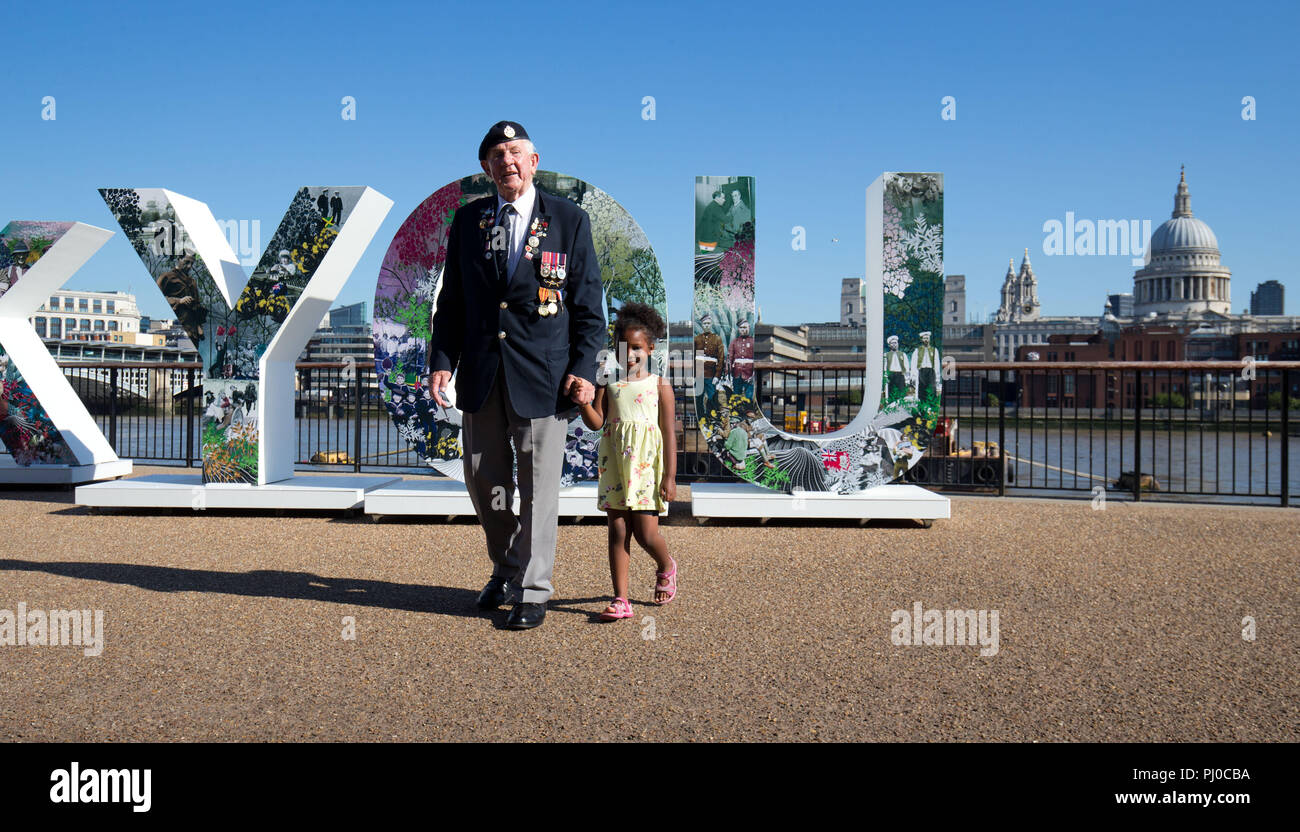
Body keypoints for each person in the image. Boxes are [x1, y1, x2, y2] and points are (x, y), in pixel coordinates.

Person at [428, 121, 605, 630]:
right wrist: (443, 362)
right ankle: (505, 568)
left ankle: (533, 588)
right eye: (497, 154)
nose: (507, 161)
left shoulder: (569, 221)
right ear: (487, 168)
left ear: (533, 161)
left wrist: (584, 370)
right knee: (486, 482)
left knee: (539, 488)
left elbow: (589, 308)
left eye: (516, 152)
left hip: (545, 379)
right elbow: (453, 304)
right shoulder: (468, 222)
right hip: (482, 375)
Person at [577, 303, 677, 620]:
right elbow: (596, 422)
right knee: (618, 531)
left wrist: (670, 476)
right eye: (624, 348)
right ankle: (621, 598)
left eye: (637, 348)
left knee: (647, 534)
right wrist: (582, 404)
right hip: (615, 466)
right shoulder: (609, 383)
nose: (630, 354)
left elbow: (668, 433)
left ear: (650, 347)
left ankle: (665, 565)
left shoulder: (660, 385)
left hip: (647, 469)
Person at [911, 331, 941, 400]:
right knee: (922, 391)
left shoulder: (934, 350)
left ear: (929, 339)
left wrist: (937, 377)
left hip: (931, 372)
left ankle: (931, 408)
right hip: (921, 371)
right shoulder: (917, 350)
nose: (926, 340)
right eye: (924, 338)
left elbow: (936, 364)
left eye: (927, 338)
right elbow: (914, 364)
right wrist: (914, 376)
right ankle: (922, 407)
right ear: (922, 339)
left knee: (931, 390)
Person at [883, 335, 908, 401]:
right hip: (891, 375)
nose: (894, 345)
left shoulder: (903, 354)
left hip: (900, 375)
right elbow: (885, 367)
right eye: (892, 343)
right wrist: (886, 376)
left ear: (898, 344)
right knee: (891, 393)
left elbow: (906, 367)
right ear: (889, 345)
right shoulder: (886, 355)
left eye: (895, 343)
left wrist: (907, 378)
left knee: (901, 393)